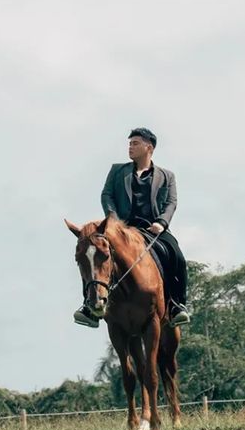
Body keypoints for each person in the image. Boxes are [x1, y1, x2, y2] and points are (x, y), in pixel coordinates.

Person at [74, 127, 191, 328]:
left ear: (149, 148)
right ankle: (89, 307)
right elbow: (107, 195)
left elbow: (171, 202)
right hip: (122, 230)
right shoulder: (117, 171)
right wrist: (114, 221)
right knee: (91, 253)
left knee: (177, 256)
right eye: (129, 143)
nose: (130, 147)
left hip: (153, 230)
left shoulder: (167, 176)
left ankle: (176, 305)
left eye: (135, 143)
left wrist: (161, 223)